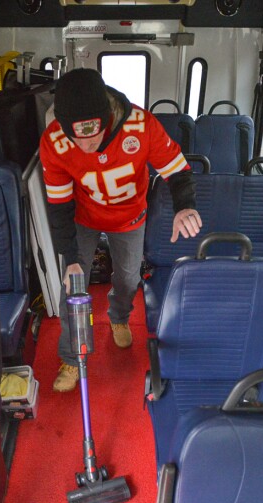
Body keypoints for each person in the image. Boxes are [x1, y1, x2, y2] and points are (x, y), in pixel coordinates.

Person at [39, 68, 203, 392]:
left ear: (106, 118)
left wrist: (185, 204)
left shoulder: (140, 127)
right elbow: (58, 206)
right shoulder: (54, 143)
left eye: (92, 133)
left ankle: (119, 316)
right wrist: (69, 256)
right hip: (83, 218)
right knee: (72, 288)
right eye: (77, 136)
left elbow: (177, 170)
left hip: (129, 217)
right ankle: (73, 359)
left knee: (128, 279)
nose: (85, 144)